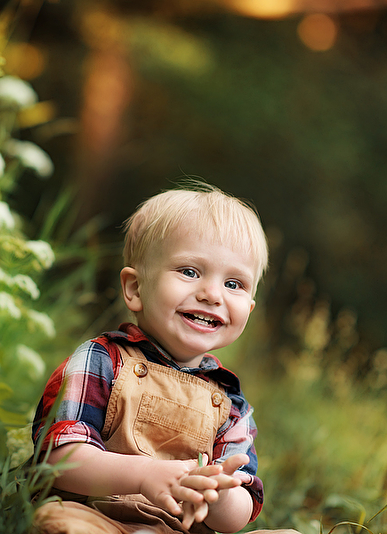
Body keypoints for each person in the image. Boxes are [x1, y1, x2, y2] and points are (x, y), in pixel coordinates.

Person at [32, 183, 297, 534]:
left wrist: (218, 493)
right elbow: (57, 457)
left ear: (249, 308)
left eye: (234, 284)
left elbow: (238, 514)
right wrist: (145, 475)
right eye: (189, 272)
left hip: (177, 529)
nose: (212, 294)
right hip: (98, 518)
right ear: (135, 288)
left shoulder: (231, 403)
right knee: (58, 523)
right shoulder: (101, 360)